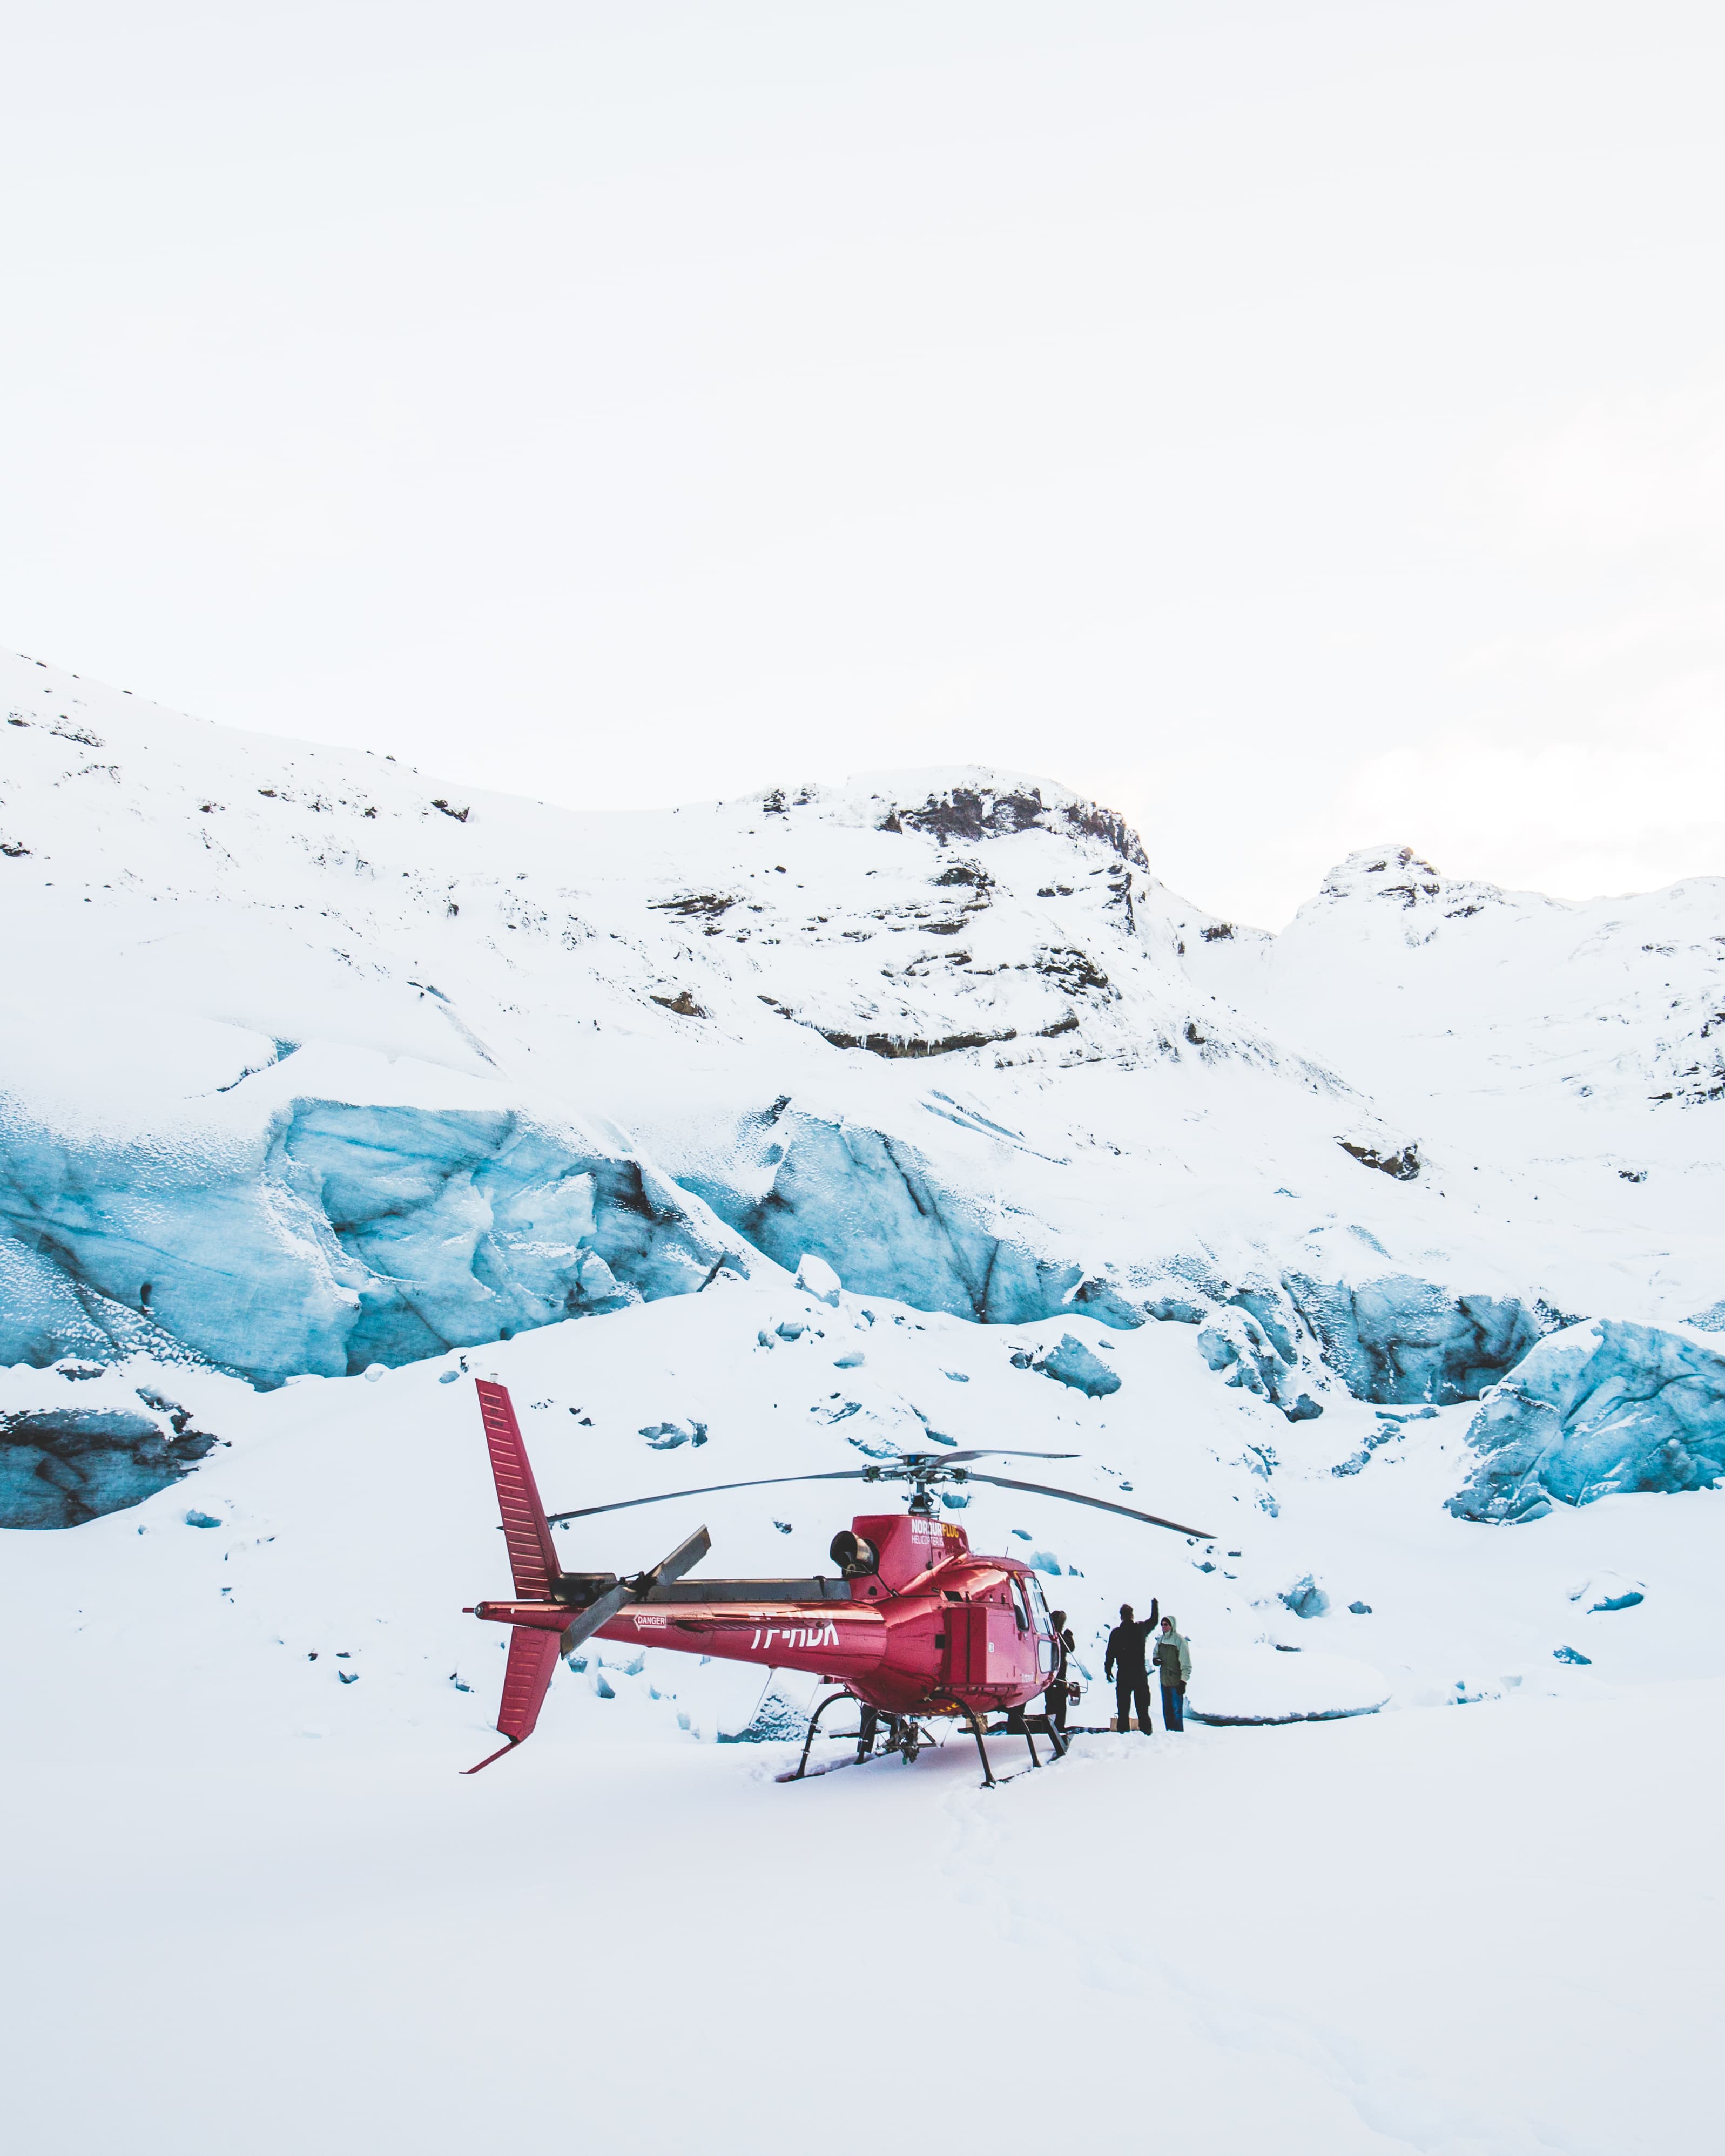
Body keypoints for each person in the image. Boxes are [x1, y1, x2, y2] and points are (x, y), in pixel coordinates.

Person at [1104, 1598, 1158, 1733]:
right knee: (1143, 1707)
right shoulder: (1140, 1628)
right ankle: (1147, 1732)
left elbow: (1110, 1654)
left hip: (1124, 1674)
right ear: (1132, 1615)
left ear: (1121, 1617)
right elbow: (1154, 1620)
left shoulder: (1116, 1633)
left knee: (1123, 1708)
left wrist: (1108, 1670)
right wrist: (1154, 1605)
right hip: (1139, 1673)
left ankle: (1123, 1732)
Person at [1154, 1614, 1191, 1732]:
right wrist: (1156, 1659)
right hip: (1164, 1680)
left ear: (1172, 1626)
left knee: (1176, 1710)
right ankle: (1169, 1734)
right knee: (1167, 1710)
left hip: (1176, 1681)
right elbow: (1156, 1653)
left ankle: (1178, 1734)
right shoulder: (1161, 1640)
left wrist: (1183, 1681)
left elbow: (1186, 1663)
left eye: (1166, 1625)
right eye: (1162, 1625)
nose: (1164, 1627)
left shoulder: (1179, 1640)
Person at [1043, 1607, 1076, 1732]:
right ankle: (1058, 1729)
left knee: (1051, 1705)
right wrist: (1069, 1635)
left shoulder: (1048, 1636)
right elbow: (1070, 1647)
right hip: (1059, 1677)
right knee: (1060, 1706)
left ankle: (1050, 1728)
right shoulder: (1059, 1638)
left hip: (1049, 1677)